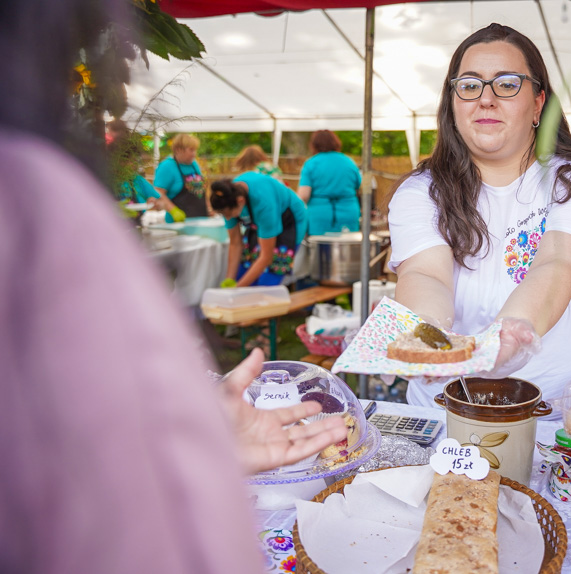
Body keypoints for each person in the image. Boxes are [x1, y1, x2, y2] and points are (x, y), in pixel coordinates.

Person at [0, 0, 346, 571]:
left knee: (279, 269)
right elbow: (237, 246)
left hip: (291, 228)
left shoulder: (258, 193)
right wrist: (234, 275)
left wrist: (255, 277)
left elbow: (263, 248)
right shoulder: (37, 196)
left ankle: (280, 300)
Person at [387, 23, 571, 408]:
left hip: (560, 417)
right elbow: (424, 272)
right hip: (442, 411)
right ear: (453, 103)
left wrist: (512, 331)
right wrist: (428, 333)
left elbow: (560, 262)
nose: (486, 99)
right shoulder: (422, 189)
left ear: (538, 103)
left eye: (506, 84)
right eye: (470, 85)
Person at [210, 172, 309, 287]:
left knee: (265, 284)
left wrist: (237, 288)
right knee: (243, 273)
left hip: (290, 222)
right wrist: (230, 281)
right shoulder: (227, 199)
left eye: (229, 214)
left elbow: (266, 256)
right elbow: (235, 243)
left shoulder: (263, 203)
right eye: (223, 214)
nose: (227, 218)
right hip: (262, 222)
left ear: (240, 201)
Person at [297, 130, 362, 236]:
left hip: (320, 216)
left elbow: (304, 196)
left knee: (320, 251)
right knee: (348, 250)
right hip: (348, 213)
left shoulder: (311, 163)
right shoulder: (349, 162)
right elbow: (358, 186)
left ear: (314, 145)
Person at [151, 133, 208, 221]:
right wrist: (173, 210)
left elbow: (200, 189)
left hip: (200, 218)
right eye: (191, 150)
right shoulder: (167, 166)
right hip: (178, 221)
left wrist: (209, 208)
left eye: (195, 150)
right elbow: (158, 192)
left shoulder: (194, 164)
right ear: (178, 150)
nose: (194, 154)